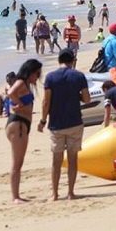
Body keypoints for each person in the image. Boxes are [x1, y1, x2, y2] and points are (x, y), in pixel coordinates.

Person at [38, 49, 91, 201]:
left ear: (59, 60)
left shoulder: (50, 77)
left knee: (56, 160)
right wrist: (76, 95)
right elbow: (87, 99)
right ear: (72, 60)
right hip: (75, 121)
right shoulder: (79, 76)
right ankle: (71, 192)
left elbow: (46, 101)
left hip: (56, 124)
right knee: (73, 159)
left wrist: (42, 120)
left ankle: (54, 194)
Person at [6, 59, 42, 204]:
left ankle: (17, 195)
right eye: (37, 73)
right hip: (18, 124)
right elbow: (10, 93)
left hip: (22, 123)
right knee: (17, 163)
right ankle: (15, 197)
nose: (38, 76)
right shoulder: (21, 82)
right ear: (30, 72)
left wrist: (18, 103)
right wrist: (19, 104)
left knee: (19, 162)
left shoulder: (27, 84)